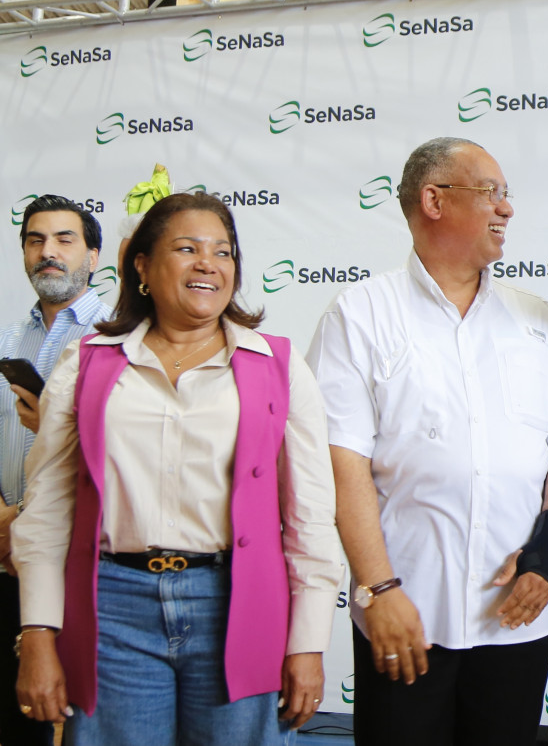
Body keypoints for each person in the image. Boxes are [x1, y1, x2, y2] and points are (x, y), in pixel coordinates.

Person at [11, 192, 340, 745]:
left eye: (223, 252)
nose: (208, 263)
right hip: (113, 610)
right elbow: (47, 510)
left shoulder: (278, 367)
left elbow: (310, 516)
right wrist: (40, 632)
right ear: (141, 265)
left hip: (238, 606)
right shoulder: (87, 362)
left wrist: (307, 643)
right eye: (187, 249)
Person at [308, 137, 548, 746]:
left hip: (517, 620)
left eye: (506, 194)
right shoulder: (359, 314)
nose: (507, 208)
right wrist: (378, 589)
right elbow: (341, 462)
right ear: (434, 200)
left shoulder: (535, 318)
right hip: (405, 617)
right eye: (491, 192)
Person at [0, 195, 111, 746]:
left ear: (93, 256)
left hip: (78, 560)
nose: (49, 251)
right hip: (3, 552)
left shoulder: (114, 338)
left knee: (77, 717)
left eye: (65, 240)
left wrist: (22, 517)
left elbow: (114, 455)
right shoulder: (6, 340)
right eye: (35, 240)